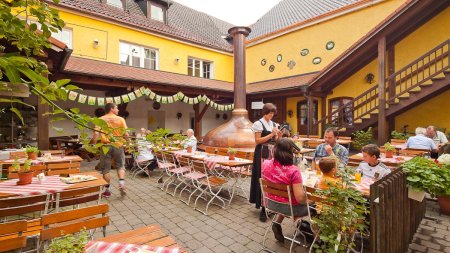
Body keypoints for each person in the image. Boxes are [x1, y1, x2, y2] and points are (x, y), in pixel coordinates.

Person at [261, 138, 307, 242]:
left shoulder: (266, 164)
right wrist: (310, 200)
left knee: (286, 198)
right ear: (291, 152)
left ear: (275, 149)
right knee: (313, 205)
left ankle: (276, 223)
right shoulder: (294, 171)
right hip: (291, 208)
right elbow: (300, 199)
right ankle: (303, 228)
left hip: (272, 203)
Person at [250, 103, 282, 222]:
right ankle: (263, 207)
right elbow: (258, 141)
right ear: (265, 112)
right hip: (262, 153)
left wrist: (279, 135)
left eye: (273, 113)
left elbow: (276, 140)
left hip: (272, 152)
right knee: (262, 178)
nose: (272, 115)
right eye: (270, 113)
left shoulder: (274, 124)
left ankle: (271, 204)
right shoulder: (258, 123)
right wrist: (271, 134)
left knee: (271, 178)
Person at [93, 103, 128, 198]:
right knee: (120, 166)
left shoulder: (100, 120)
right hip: (118, 145)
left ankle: (107, 191)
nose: (118, 110)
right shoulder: (121, 119)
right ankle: (121, 183)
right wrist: (128, 143)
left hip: (105, 146)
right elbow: (126, 134)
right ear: (111, 109)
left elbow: (96, 133)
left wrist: (95, 144)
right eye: (116, 108)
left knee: (105, 169)